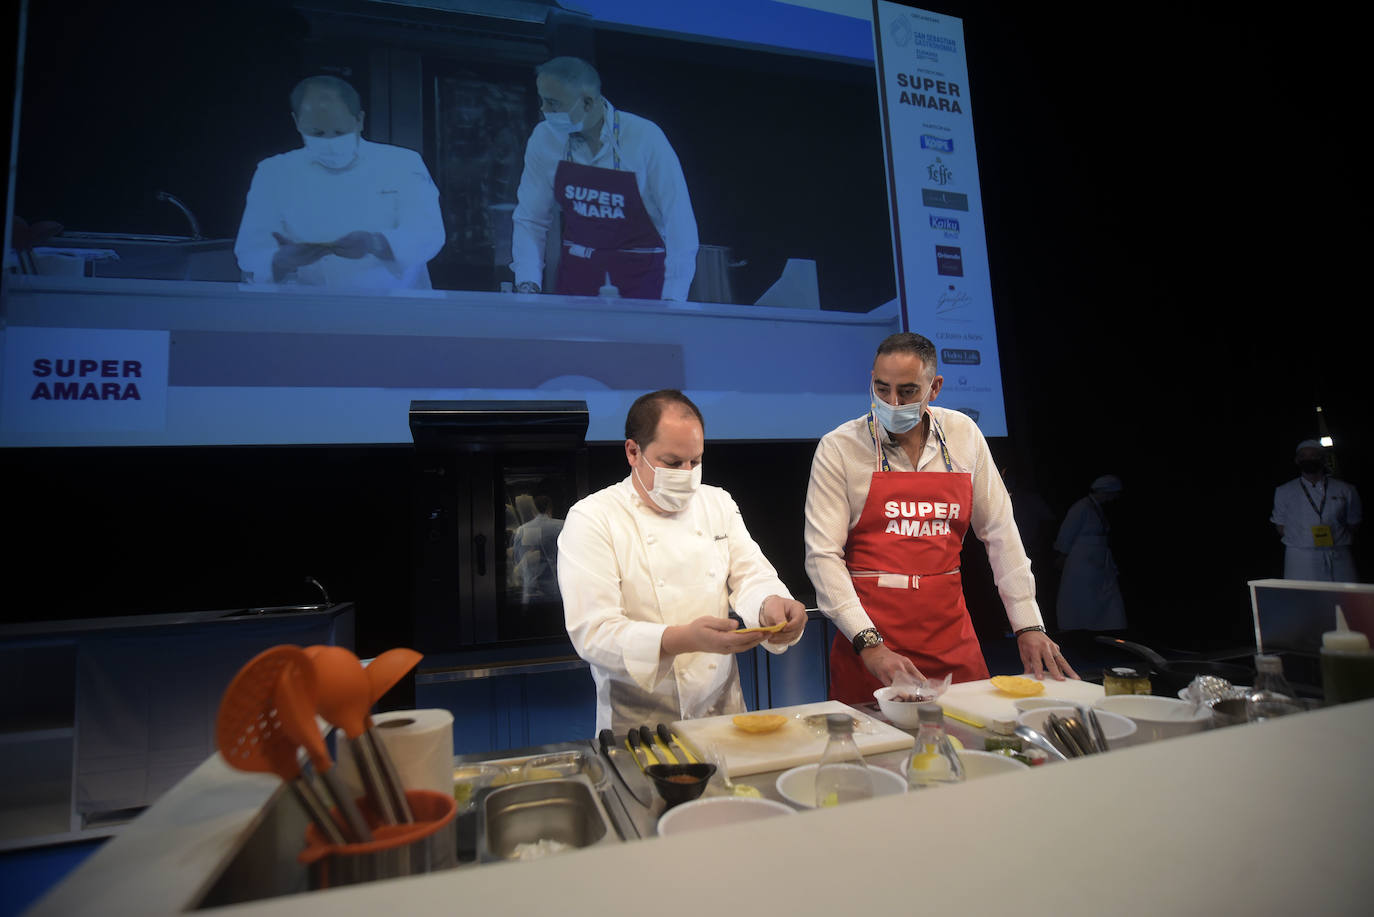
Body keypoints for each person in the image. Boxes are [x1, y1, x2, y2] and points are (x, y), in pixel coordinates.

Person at [804, 332, 1074, 705]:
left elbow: (1000, 533)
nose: (892, 403)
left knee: (973, 741)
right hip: (872, 637)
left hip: (950, 635)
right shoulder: (839, 447)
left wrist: (1028, 624)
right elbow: (822, 556)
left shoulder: (964, 434)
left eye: (908, 391)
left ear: (935, 387)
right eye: (882, 389)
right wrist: (869, 644)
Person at [558, 390, 807, 732]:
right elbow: (594, 633)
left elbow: (750, 574)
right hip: (640, 723)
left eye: (696, 461)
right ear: (633, 452)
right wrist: (683, 639)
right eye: (673, 463)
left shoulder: (717, 503)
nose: (688, 473)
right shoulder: (593, 518)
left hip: (722, 712)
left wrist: (771, 605)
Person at [510, 57, 698, 301]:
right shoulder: (544, 139)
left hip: (643, 284)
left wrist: (674, 297)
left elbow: (678, 222)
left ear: (587, 102)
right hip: (576, 282)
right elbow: (531, 219)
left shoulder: (644, 137)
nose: (544, 111)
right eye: (542, 101)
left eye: (553, 103)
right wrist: (527, 284)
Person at [234, 75, 445, 290]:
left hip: (393, 304)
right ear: (297, 123)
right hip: (306, 307)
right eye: (316, 133)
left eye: (339, 132)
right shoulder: (273, 172)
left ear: (359, 120)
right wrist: (280, 260)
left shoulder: (403, 163)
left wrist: (375, 243)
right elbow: (250, 250)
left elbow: (428, 233)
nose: (330, 143)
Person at [1272, 440, 1362, 581]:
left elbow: (1353, 522)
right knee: (1302, 599)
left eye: (1314, 455)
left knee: (1345, 598)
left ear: (1323, 458)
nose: (1308, 459)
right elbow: (1280, 525)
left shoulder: (1345, 489)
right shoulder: (1284, 491)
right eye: (1303, 456)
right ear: (1297, 460)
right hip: (1299, 557)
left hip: (1338, 553)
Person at [1053, 475, 1127, 635]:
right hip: (1082, 563)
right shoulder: (1081, 507)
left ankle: (1103, 627)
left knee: (1102, 598)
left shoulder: (1096, 508)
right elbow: (1067, 533)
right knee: (1081, 595)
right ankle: (1077, 627)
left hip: (1098, 562)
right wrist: (1062, 554)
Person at [512, 494, 565, 602]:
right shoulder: (563, 526)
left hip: (531, 590)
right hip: (558, 590)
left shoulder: (523, 530)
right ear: (550, 508)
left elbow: (518, 559)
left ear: (534, 509)